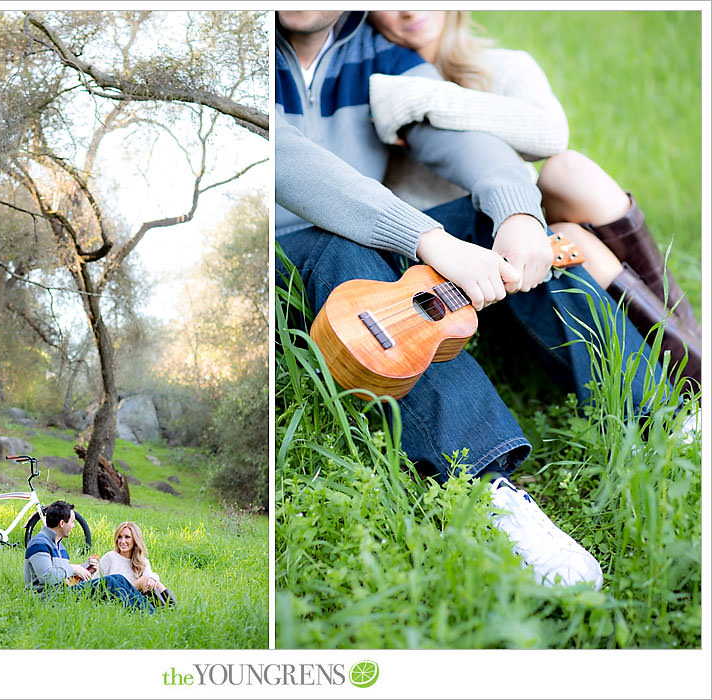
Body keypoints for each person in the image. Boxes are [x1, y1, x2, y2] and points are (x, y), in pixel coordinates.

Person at [275, 11, 672, 590]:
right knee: (346, 251)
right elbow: (289, 162)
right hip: (291, 255)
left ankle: (662, 412)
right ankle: (490, 491)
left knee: (495, 220)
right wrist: (427, 240)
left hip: (387, 228)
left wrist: (517, 213)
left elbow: (456, 139)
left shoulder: (376, 52)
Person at [365, 10, 701, 387]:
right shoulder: (369, 83)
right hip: (462, 267)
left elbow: (551, 135)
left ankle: (694, 362)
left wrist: (426, 100)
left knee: (570, 170)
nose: (410, 9)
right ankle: (695, 368)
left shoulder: (502, 68)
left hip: (520, 228)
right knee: (572, 239)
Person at [24, 500, 153, 612]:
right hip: (46, 598)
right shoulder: (39, 543)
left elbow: (63, 578)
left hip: (63, 592)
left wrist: (84, 571)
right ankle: (149, 615)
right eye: (72, 522)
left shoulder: (60, 547)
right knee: (110, 582)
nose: (74, 526)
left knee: (118, 579)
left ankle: (151, 611)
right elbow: (47, 578)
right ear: (62, 523)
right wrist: (73, 568)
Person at [97, 521, 176, 608]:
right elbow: (96, 582)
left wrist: (153, 578)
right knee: (144, 580)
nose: (122, 541)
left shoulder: (142, 561)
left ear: (135, 540)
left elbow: (150, 580)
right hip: (116, 597)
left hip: (135, 600)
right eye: (120, 537)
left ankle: (172, 610)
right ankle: (160, 612)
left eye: (127, 537)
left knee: (156, 583)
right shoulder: (110, 557)